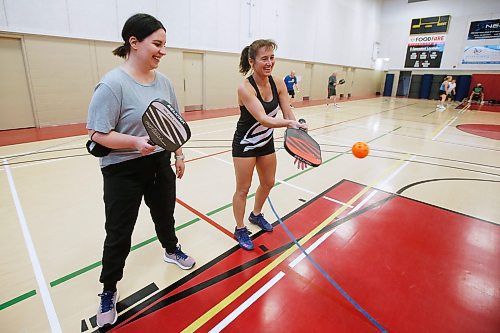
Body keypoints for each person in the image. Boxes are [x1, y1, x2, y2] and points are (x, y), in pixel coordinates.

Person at [86, 13, 195, 328]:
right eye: (157, 44)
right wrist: (134, 142)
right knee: (119, 232)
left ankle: (171, 249)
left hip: (159, 162)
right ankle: (108, 289)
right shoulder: (112, 84)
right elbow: (97, 134)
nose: (162, 51)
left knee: (165, 214)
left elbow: (173, 123)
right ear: (133, 42)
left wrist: (179, 154)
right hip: (122, 169)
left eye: (164, 45)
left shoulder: (164, 83)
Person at [232, 39, 307, 250]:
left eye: (272, 57)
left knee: (268, 182)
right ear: (252, 61)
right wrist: (289, 123)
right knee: (243, 189)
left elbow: (287, 113)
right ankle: (239, 228)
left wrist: (298, 135)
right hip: (245, 145)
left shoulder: (279, 83)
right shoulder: (245, 87)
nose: (269, 62)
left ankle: (256, 215)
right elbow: (265, 119)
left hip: (266, 143)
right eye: (264, 58)